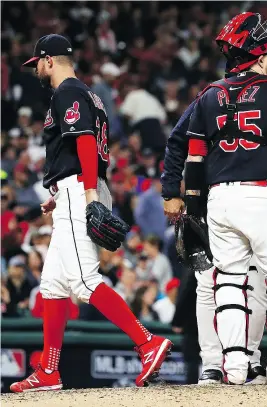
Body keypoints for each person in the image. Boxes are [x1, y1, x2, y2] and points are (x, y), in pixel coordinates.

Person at [11, 34, 172, 393]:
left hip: (79, 189)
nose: (36, 68)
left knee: (84, 281)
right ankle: (49, 371)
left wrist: (83, 194)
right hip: (79, 185)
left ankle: (147, 342)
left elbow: (85, 142)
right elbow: (88, 149)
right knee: (52, 285)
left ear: (49, 60)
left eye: (37, 62)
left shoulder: (66, 91)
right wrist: (69, 192)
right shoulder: (90, 95)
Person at [184, 12, 267, 386]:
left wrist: (193, 211)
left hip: (219, 199)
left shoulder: (208, 96)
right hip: (262, 194)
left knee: (230, 283)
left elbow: (193, 158)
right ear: (256, 56)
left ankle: (234, 368)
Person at [161, 49, 267, 387]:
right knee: (212, 281)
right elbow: (178, 140)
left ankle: (247, 359)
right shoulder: (212, 96)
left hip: (248, 196)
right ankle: (215, 361)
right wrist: (171, 191)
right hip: (212, 198)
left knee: (252, 280)